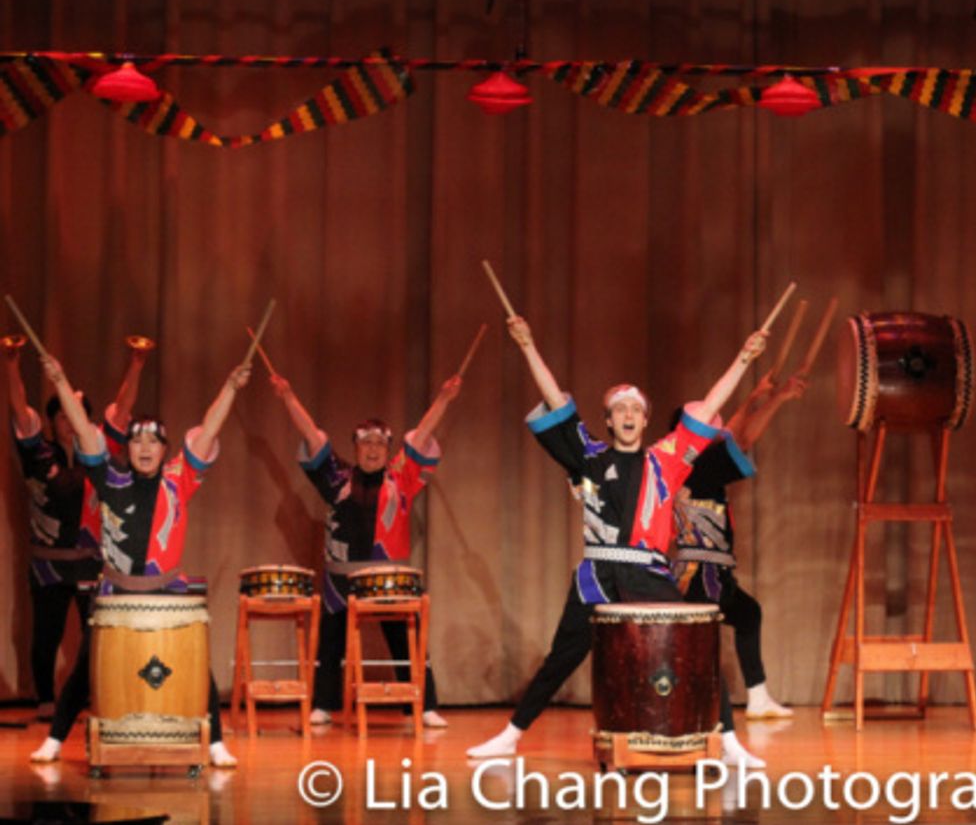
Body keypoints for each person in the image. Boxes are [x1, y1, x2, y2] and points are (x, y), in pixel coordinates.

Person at [467, 315, 767, 765]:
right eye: (619, 410)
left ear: (646, 420)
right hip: (597, 573)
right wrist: (528, 346)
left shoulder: (667, 460)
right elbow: (555, 400)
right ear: (607, 420)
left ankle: (727, 742)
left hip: (647, 570)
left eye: (635, 409)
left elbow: (707, 408)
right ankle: (511, 735)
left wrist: (744, 359)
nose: (628, 415)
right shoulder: (589, 456)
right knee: (562, 656)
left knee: (697, 643)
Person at [29, 350, 249, 768]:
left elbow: (208, 429)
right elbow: (83, 430)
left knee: (194, 665)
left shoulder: (179, 479)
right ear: (126, 447)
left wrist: (231, 388)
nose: (145, 447)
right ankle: (56, 739)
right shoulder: (107, 476)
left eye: (154, 441)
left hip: (166, 588)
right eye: (137, 440)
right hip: (114, 590)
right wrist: (59, 382)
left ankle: (216, 741)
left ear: (166, 449)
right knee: (85, 667)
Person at [269, 370, 462, 729]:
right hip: (341, 578)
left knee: (408, 639)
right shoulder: (336, 478)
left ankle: (423, 704)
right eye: (365, 443)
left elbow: (420, 437)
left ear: (387, 450)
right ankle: (323, 704)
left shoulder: (400, 477)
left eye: (379, 444)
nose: (372, 450)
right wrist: (288, 397)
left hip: (388, 576)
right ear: (355, 447)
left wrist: (444, 400)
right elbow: (312, 436)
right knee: (331, 642)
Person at [4, 337, 148, 721]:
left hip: (89, 562)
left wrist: (136, 362)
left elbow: (123, 409)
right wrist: (13, 364)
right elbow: (20, 411)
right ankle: (47, 702)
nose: (69, 423)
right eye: (63, 416)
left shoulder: (96, 450)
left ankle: (90, 698)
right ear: (53, 421)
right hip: (48, 563)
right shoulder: (39, 452)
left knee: (96, 635)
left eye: (75, 416)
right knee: (46, 634)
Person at [674, 373, 808, 719]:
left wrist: (754, 398)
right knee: (701, 641)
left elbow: (731, 434)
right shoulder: (694, 465)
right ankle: (701, 710)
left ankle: (757, 697)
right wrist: (778, 399)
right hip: (701, 571)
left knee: (747, 614)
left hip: (709, 569)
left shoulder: (692, 461)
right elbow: (742, 439)